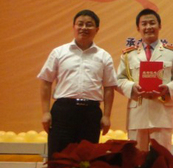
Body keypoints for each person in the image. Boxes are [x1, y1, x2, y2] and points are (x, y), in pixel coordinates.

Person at [38, 9, 117, 159]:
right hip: (63, 112)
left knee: (87, 162)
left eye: (89, 24)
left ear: (97, 29)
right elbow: (46, 82)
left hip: (91, 114)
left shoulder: (104, 56)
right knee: (58, 160)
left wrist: (106, 116)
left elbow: (109, 87)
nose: (84, 28)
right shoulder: (59, 52)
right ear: (73, 27)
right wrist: (45, 112)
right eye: (80, 24)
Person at [116, 9, 173, 151]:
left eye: (152, 23)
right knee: (136, 159)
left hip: (161, 114)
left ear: (159, 26)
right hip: (137, 114)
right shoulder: (128, 55)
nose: (148, 27)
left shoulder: (171, 53)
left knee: (160, 160)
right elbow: (119, 80)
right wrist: (131, 87)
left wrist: (168, 89)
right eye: (144, 24)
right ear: (138, 28)